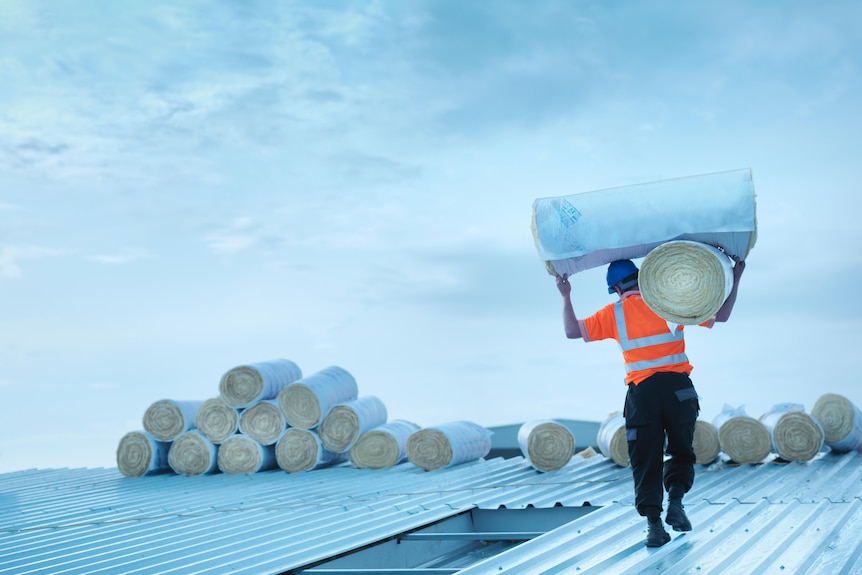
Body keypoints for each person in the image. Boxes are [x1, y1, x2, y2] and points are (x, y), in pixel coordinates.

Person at [555, 256, 745, 547]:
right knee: (681, 452)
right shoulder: (670, 301)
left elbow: (572, 331)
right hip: (679, 391)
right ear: (643, 278)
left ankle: (655, 526)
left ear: (616, 289)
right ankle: (676, 502)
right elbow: (721, 315)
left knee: (645, 459)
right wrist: (736, 274)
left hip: (642, 393)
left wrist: (566, 296)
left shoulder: (613, 313)